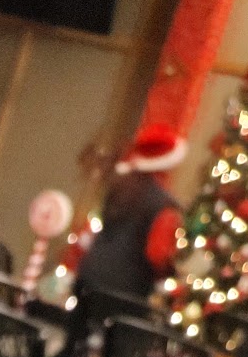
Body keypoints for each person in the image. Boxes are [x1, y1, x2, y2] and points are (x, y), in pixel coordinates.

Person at [76, 123, 188, 303]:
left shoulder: (119, 187)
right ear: (167, 165)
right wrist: (172, 273)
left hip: (89, 276)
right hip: (125, 291)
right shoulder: (165, 205)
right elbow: (156, 253)